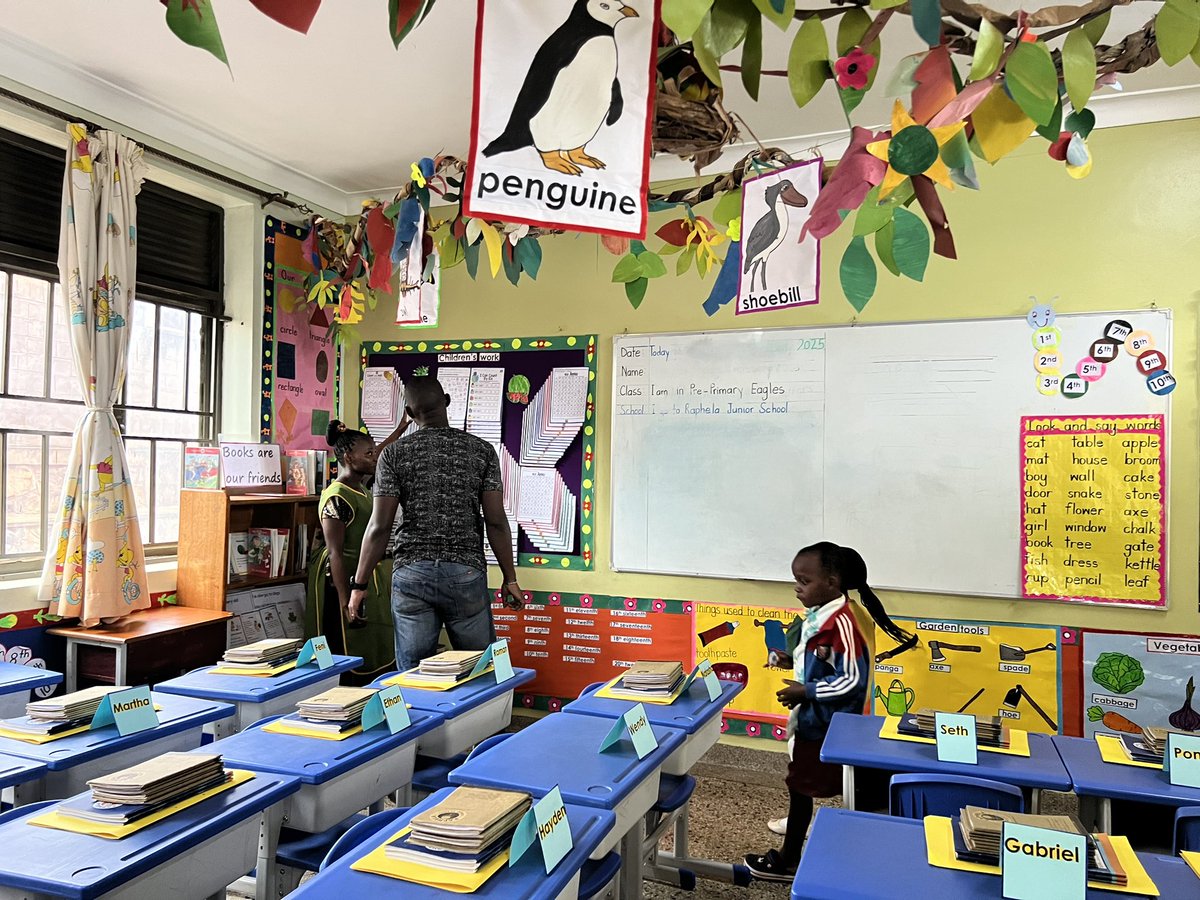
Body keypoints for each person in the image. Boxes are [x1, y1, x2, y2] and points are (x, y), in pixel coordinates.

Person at [743, 541, 916, 882]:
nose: (797, 588)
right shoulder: (822, 616)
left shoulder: (844, 622)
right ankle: (822, 844)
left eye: (804, 581)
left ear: (832, 582)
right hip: (820, 720)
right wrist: (789, 662)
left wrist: (805, 690)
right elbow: (821, 660)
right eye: (796, 580)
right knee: (807, 785)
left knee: (804, 788)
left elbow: (851, 679)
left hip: (829, 724)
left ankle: (789, 861)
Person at [349, 376, 524, 672]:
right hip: (465, 572)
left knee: (415, 674)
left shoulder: (393, 455)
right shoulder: (480, 451)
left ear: (409, 413)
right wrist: (510, 579)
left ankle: (419, 716)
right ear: (446, 401)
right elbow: (495, 522)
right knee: (479, 670)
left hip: (411, 574)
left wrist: (359, 584)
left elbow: (380, 526)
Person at [305, 418, 409, 685]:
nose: (375, 457)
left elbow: (381, 451)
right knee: (346, 645)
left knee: (373, 640)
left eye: (374, 452)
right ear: (349, 457)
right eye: (369, 453)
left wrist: (398, 430)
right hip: (340, 580)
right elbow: (335, 553)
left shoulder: (360, 485)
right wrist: (344, 603)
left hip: (361, 578)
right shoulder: (336, 496)